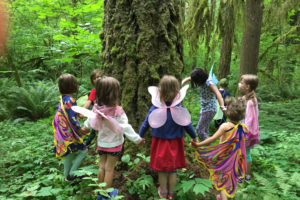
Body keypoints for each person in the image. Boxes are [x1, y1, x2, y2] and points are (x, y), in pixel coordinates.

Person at [82, 77, 145, 200]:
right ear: (114, 94)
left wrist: (84, 127)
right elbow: (126, 128)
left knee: (101, 166)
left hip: (101, 143)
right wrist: (137, 140)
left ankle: (100, 193)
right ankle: (106, 195)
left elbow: (89, 121)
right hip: (114, 145)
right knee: (109, 169)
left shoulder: (96, 109)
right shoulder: (117, 111)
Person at [139, 75, 198, 200]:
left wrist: (140, 136)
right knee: (172, 170)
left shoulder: (155, 108)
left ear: (159, 91)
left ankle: (163, 192)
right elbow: (187, 124)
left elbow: (146, 123)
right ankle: (172, 193)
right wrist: (194, 137)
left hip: (159, 143)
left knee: (162, 169)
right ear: (177, 92)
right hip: (176, 143)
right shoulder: (180, 108)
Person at [191, 97, 248, 200]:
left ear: (229, 113)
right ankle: (224, 196)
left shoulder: (225, 126)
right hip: (234, 159)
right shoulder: (243, 128)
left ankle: (223, 197)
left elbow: (212, 139)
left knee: (221, 182)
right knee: (229, 178)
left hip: (223, 158)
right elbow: (242, 146)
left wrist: (199, 145)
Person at [53, 74, 90, 181]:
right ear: (73, 86)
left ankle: (66, 177)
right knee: (83, 151)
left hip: (64, 133)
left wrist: (79, 113)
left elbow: (70, 112)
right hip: (70, 133)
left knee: (70, 153)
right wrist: (80, 129)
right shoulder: (70, 100)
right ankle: (72, 174)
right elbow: (72, 117)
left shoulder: (64, 98)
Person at [182, 68, 226, 141]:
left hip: (210, 108)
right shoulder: (201, 79)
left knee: (200, 130)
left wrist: (222, 106)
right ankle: (208, 148)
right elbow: (189, 79)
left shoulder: (208, 82)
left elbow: (218, 93)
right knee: (205, 130)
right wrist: (180, 84)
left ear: (199, 78)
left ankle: (209, 147)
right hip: (205, 108)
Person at [238, 74, 259, 181]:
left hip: (247, 131)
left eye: (241, 83)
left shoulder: (251, 102)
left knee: (245, 153)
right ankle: (245, 173)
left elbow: (250, 120)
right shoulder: (250, 98)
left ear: (248, 87)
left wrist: (244, 131)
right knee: (245, 152)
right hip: (248, 130)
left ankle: (245, 175)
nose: (239, 84)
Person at [82, 69, 102, 146]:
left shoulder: (107, 88)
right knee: (93, 131)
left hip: (105, 115)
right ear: (92, 81)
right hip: (95, 114)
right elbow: (89, 101)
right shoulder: (94, 91)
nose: (97, 79)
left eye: (99, 77)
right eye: (94, 78)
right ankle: (84, 145)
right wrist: (82, 111)